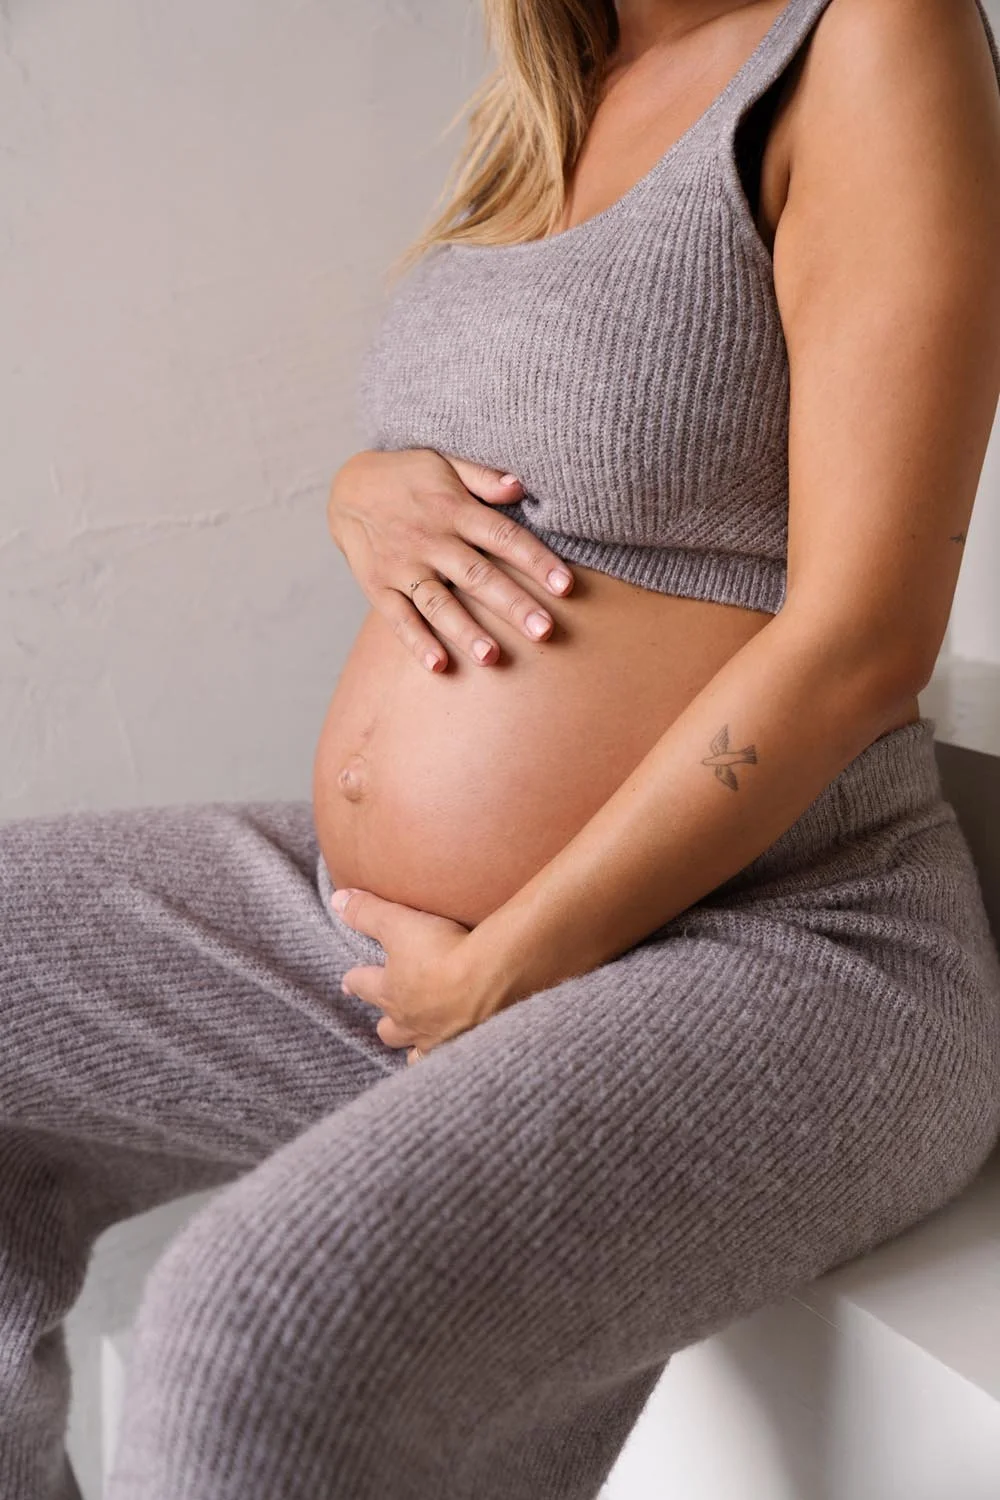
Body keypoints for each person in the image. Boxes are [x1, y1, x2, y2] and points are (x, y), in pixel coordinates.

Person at [3, 1, 1000, 1496]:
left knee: (246, 1335)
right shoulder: (564, 88)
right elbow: (539, 444)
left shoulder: (869, 34)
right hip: (433, 955)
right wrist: (362, 484)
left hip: (787, 942)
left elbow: (864, 642)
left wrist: (516, 964)